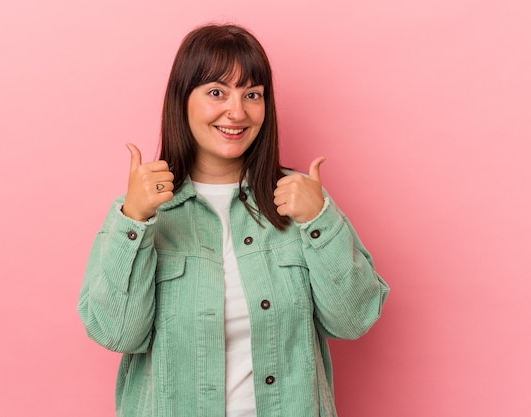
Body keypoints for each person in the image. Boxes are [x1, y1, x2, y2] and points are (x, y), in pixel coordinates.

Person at [78, 23, 389, 417]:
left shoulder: (302, 203)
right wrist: (135, 220)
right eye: (216, 93)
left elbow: (353, 320)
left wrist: (320, 220)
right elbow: (116, 332)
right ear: (182, 100)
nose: (237, 112)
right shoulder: (141, 212)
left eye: (252, 94)